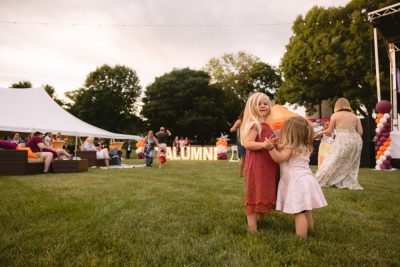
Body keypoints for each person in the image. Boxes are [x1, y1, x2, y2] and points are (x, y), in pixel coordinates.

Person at [265, 116, 327, 239]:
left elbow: (280, 158)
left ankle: (301, 237)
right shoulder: (303, 146)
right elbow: (286, 151)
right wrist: (279, 146)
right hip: (306, 179)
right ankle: (311, 230)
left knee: (298, 212)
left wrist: (270, 148)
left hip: (296, 182)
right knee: (306, 209)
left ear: (289, 133)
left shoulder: (289, 148)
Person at [240, 92, 279, 232]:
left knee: (264, 190)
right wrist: (264, 145)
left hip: (268, 166)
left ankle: (259, 217)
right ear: (252, 107)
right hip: (257, 166)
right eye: (259, 104)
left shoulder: (267, 125)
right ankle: (252, 228)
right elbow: (248, 143)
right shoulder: (255, 125)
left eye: (266, 103)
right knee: (255, 192)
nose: (263, 106)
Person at [315, 98, 363, 190]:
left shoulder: (335, 115)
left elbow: (329, 131)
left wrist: (318, 134)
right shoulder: (355, 116)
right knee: (350, 163)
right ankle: (343, 180)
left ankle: (322, 178)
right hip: (356, 140)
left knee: (332, 159)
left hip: (343, 139)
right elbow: (360, 132)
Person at [230, 110, 246, 177]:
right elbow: (231, 130)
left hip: (243, 140)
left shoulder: (240, 121)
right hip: (242, 140)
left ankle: (241, 174)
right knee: (244, 158)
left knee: (243, 158)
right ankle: (241, 174)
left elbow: (232, 129)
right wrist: (236, 128)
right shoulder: (240, 121)